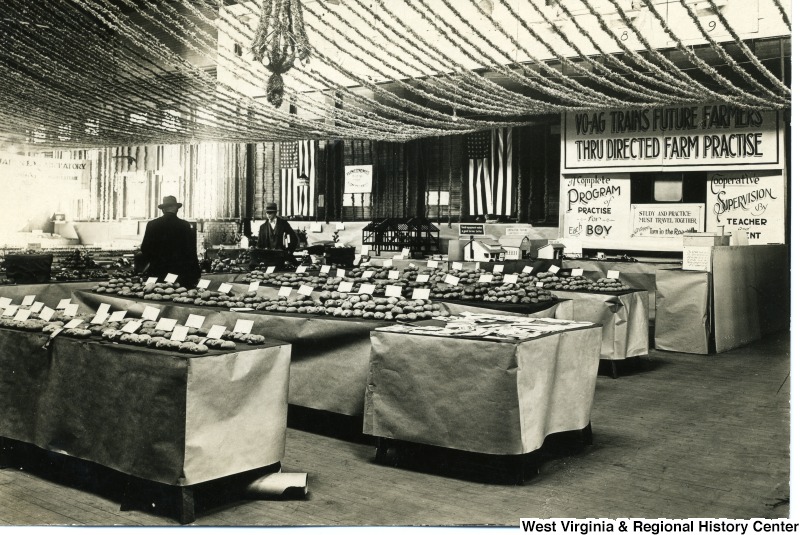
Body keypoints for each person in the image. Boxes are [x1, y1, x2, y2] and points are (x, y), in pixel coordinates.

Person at [139, 195, 201, 288]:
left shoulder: (152, 224)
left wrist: (155, 261)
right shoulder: (184, 225)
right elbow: (191, 251)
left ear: (163, 209)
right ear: (177, 209)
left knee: (154, 295)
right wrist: (195, 272)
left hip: (157, 271)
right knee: (177, 296)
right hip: (178, 272)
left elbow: (145, 248)